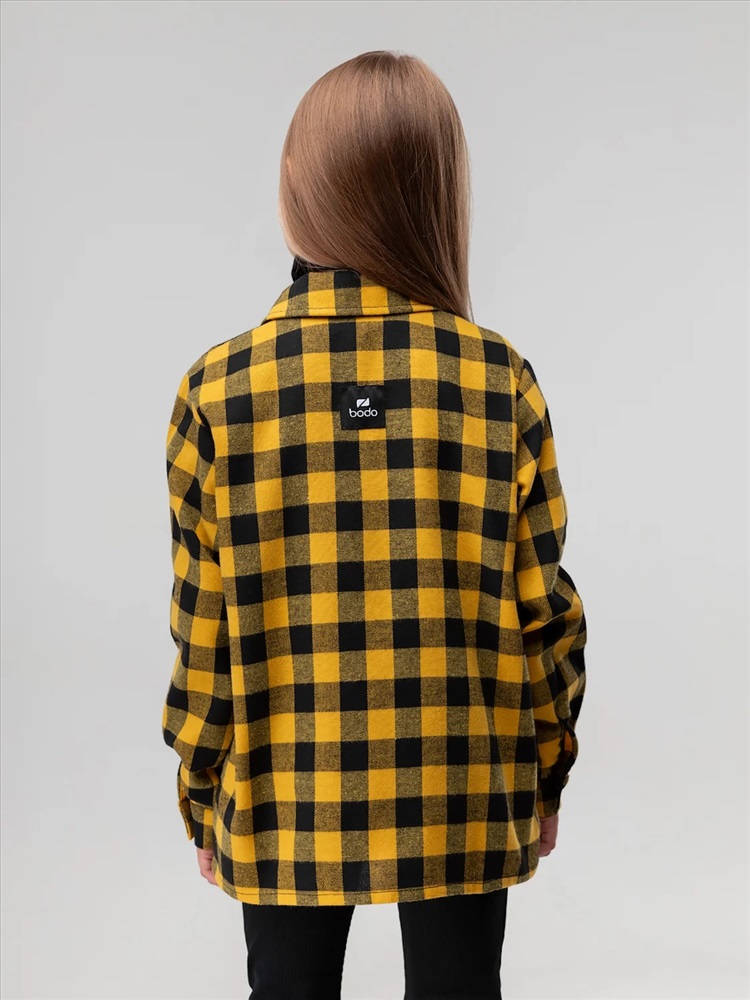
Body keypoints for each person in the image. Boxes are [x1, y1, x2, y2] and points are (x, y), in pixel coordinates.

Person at [161, 49, 588, 1000]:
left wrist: (201, 791)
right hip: (465, 791)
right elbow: (546, 615)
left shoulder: (216, 393)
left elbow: (203, 635)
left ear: (296, 192)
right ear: (436, 198)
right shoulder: (499, 382)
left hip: (282, 793)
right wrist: (545, 770)